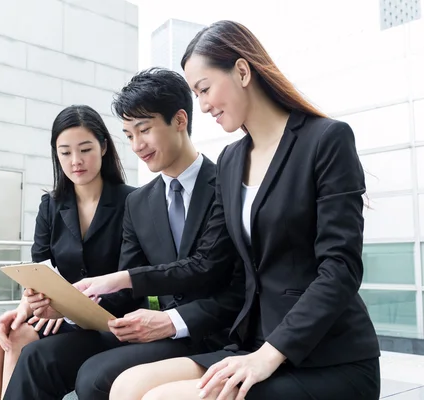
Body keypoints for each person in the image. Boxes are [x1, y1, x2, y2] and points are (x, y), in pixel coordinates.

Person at [78, 21, 381, 400]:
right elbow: (209, 262)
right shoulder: (232, 160)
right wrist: (119, 280)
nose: (202, 105)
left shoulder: (326, 140)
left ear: (241, 71)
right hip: (251, 341)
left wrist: (268, 356)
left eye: (204, 89)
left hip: (324, 356)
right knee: (125, 386)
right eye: (196, 93)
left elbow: (340, 269)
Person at [2, 68, 245, 400]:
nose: (137, 145)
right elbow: (123, 292)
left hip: (212, 330)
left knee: (94, 377)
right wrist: (64, 306)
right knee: (37, 357)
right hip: (151, 329)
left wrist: (161, 314)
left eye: (144, 130)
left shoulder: (227, 185)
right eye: (129, 135)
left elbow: (216, 273)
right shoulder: (140, 202)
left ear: (179, 120)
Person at [0, 105, 135, 400]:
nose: (76, 161)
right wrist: (24, 309)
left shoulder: (131, 201)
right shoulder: (52, 205)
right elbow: (39, 270)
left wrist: (66, 310)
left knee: (19, 338)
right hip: (51, 314)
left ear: (104, 147)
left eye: (85, 149)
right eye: (65, 152)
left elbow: (129, 283)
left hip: (104, 320)